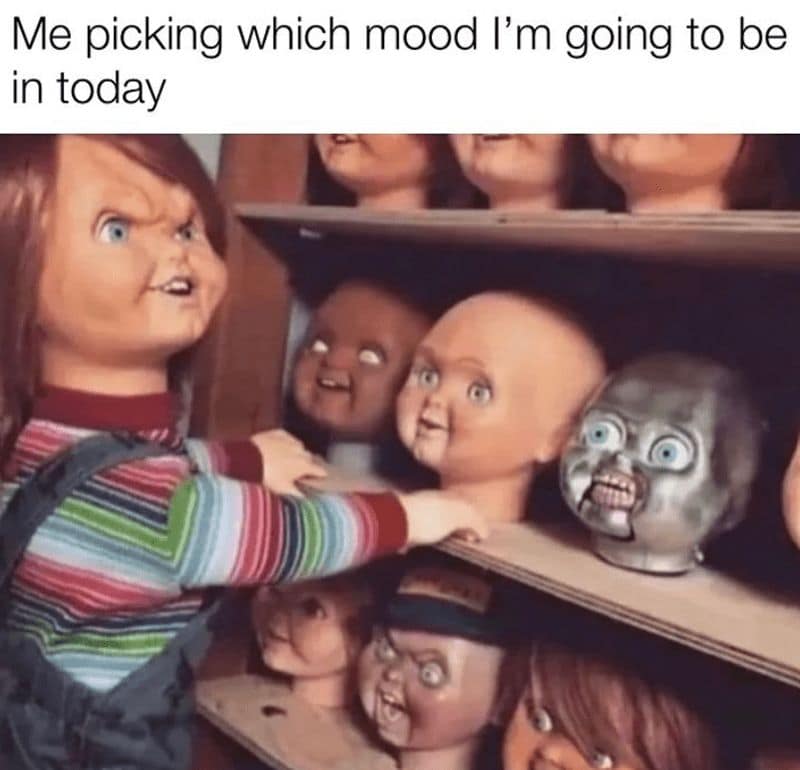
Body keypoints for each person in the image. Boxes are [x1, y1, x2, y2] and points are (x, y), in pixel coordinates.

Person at [0, 134, 486, 769]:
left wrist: (242, 459)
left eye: (187, 227)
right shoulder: (163, 510)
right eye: (117, 229)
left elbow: (124, 465)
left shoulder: (41, 439)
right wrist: (407, 518)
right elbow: (281, 535)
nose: (175, 250)